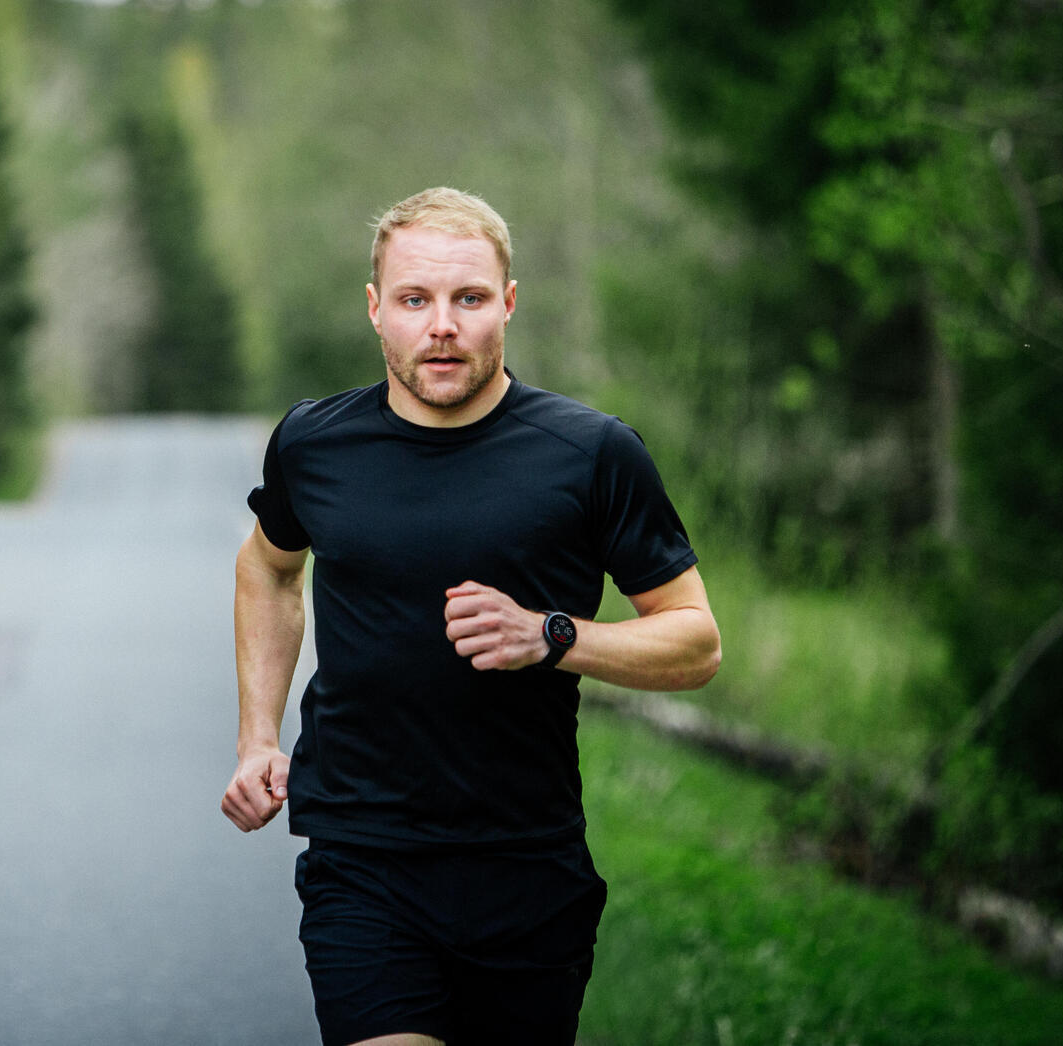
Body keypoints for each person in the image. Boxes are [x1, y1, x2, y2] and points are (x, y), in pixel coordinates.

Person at [222, 186, 721, 1046]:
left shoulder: (592, 455)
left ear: (509, 305)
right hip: (362, 855)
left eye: (469, 298)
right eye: (415, 300)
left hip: (527, 868)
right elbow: (269, 569)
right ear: (377, 311)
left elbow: (695, 641)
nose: (442, 325)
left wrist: (553, 636)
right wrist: (257, 737)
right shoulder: (314, 443)